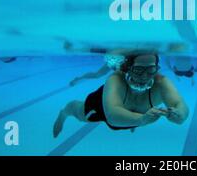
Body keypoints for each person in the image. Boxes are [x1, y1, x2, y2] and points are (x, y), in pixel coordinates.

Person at [53, 53, 189, 137]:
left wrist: (179, 114)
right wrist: (141, 120)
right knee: (79, 112)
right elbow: (112, 116)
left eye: (150, 69)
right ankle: (63, 113)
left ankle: (133, 122)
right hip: (102, 107)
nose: (145, 76)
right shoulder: (116, 79)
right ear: (127, 68)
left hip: (139, 116)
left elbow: (180, 104)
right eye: (138, 70)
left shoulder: (161, 82)